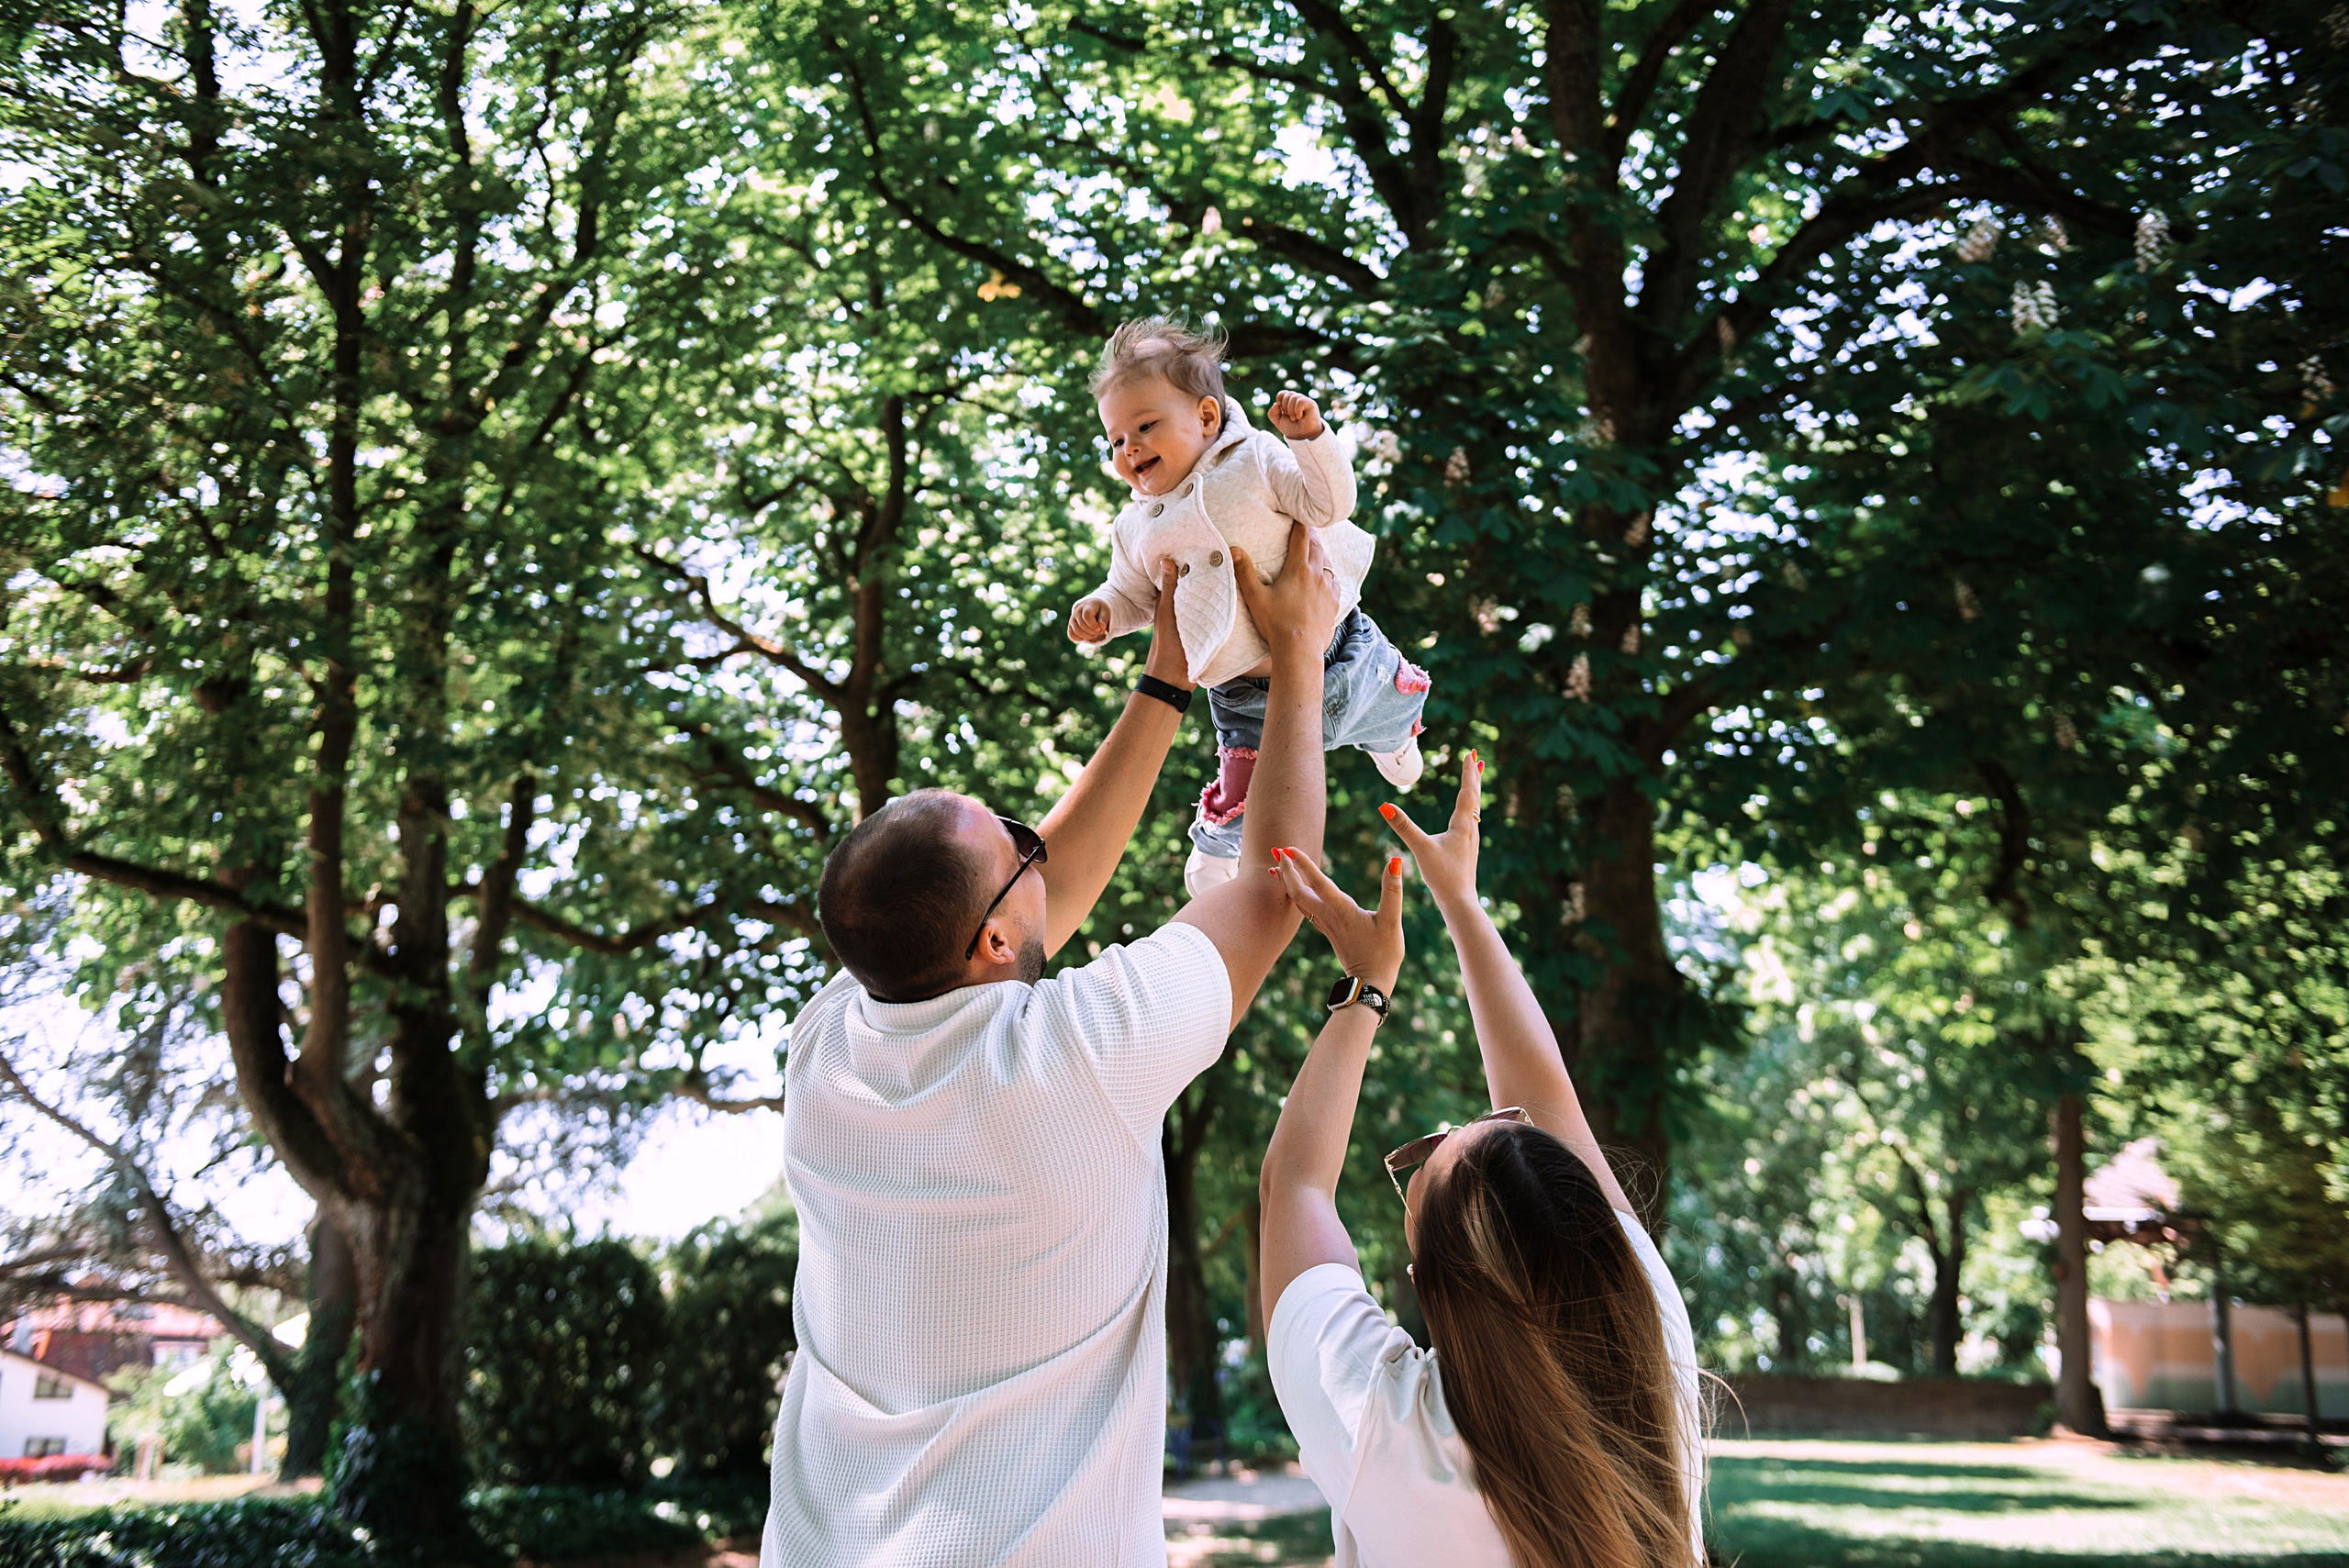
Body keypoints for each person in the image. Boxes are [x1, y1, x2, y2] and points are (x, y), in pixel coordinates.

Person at [762, 525, 1343, 1567]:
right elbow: (1270, 889)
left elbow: (1033, 903)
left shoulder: (828, 1048)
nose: (1042, 848)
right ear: (988, 937)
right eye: (1018, 841)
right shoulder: (1073, 1054)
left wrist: (1164, 682)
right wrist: (1298, 657)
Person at [1256, 753, 1707, 1568]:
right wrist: (1461, 902)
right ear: (1594, 1234)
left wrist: (1369, 984)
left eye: (1419, 1163)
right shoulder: (1651, 1349)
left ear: (1430, 1287)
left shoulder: (1386, 1429)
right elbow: (1549, 1097)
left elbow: (1294, 1185)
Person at [1066, 317, 1431, 898]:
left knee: (1386, 700)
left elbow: (1328, 503)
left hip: (1342, 650)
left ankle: (1395, 741)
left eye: (1145, 426)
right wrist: (1103, 611)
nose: (1128, 448)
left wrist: (1310, 440)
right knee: (1241, 787)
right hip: (1246, 694)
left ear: (1207, 417)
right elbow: (1133, 594)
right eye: (1114, 439)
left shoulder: (1256, 459)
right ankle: (1216, 847)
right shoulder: (1136, 525)